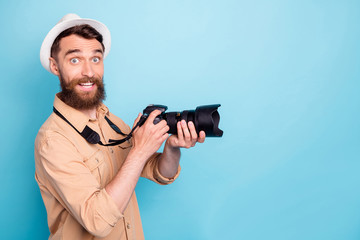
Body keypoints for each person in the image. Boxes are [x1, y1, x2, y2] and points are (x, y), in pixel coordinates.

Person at [35, 13, 205, 240]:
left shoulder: (111, 121)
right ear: (55, 67)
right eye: (75, 60)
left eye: (95, 59)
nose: (88, 71)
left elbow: (159, 171)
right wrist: (140, 149)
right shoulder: (53, 140)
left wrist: (172, 148)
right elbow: (97, 221)